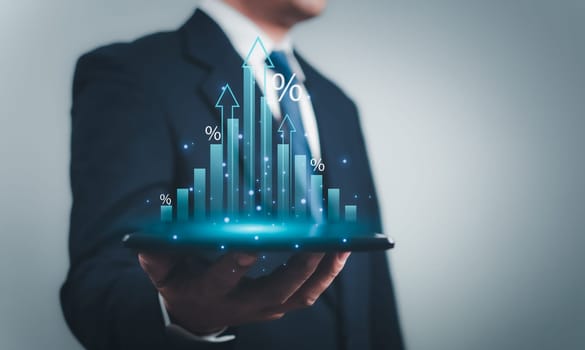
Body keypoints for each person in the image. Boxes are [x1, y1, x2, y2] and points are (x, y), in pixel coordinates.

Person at [60, 0, 403, 349]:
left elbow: (373, 288)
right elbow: (100, 283)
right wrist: (180, 318)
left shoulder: (338, 105)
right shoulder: (134, 74)